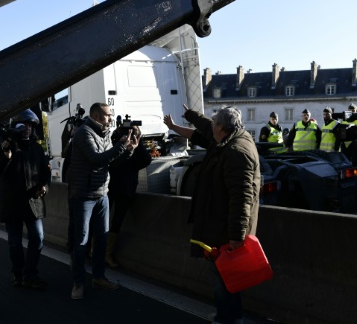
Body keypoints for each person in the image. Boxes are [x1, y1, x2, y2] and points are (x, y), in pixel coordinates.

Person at [164, 104, 260, 324]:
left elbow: (241, 198)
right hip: (219, 224)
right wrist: (190, 115)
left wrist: (236, 236)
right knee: (226, 275)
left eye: (214, 121)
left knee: (225, 276)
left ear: (222, 127)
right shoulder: (230, 138)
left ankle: (228, 318)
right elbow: (205, 127)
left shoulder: (236, 152)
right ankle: (228, 315)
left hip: (225, 231)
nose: (211, 123)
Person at [68, 102, 138, 300]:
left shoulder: (104, 133)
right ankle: (78, 283)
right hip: (83, 196)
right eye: (108, 115)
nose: (110, 118)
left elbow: (111, 162)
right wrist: (120, 146)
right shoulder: (84, 133)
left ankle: (98, 277)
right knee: (81, 241)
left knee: (102, 239)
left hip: (102, 194)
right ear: (97, 116)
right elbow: (96, 159)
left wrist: (128, 150)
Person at [0, 109, 50, 290]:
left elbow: (46, 174)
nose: (28, 129)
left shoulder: (37, 148)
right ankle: (18, 274)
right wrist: (6, 158)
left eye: (31, 125)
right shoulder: (4, 147)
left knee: (37, 238)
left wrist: (44, 186)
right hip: (11, 204)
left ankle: (30, 274)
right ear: (15, 126)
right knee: (14, 243)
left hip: (33, 204)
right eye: (24, 125)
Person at [105, 124, 151, 268]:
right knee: (102, 221)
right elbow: (109, 159)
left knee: (117, 221)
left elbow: (146, 160)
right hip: (110, 187)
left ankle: (107, 254)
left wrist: (139, 140)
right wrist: (119, 138)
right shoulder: (116, 143)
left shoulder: (136, 147)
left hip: (125, 188)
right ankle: (95, 251)